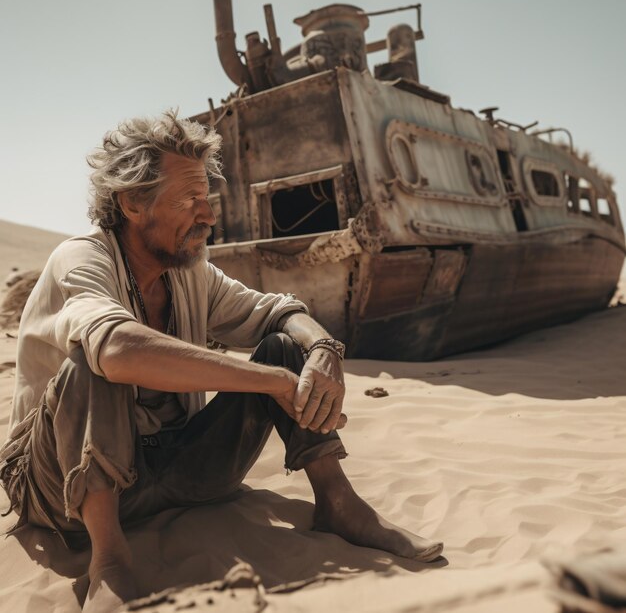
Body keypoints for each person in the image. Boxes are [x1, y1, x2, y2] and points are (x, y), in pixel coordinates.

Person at [0, 110, 443, 612]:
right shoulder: (82, 260)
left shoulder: (189, 270)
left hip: (173, 472)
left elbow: (274, 311)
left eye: (206, 199)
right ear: (132, 203)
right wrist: (273, 381)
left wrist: (321, 349)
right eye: (189, 200)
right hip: (59, 491)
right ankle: (110, 561)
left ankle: (339, 505)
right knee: (93, 360)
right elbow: (118, 348)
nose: (208, 215)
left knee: (285, 344)